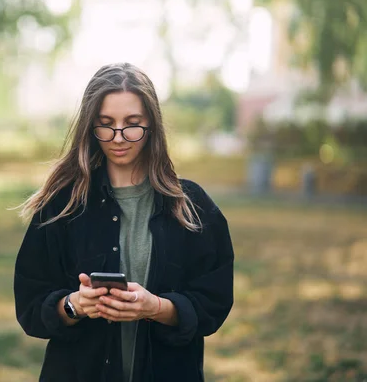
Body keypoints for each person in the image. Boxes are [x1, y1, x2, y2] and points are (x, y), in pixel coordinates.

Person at [13, 62, 234, 382]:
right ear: (90, 127)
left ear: (152, 126)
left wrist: (156, 307)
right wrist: (75, 304)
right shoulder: (61, 206)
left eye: (132, 124)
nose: (118, 137)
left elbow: (214, 302)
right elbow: (31, 305)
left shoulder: (193, 207)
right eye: (106, 124)